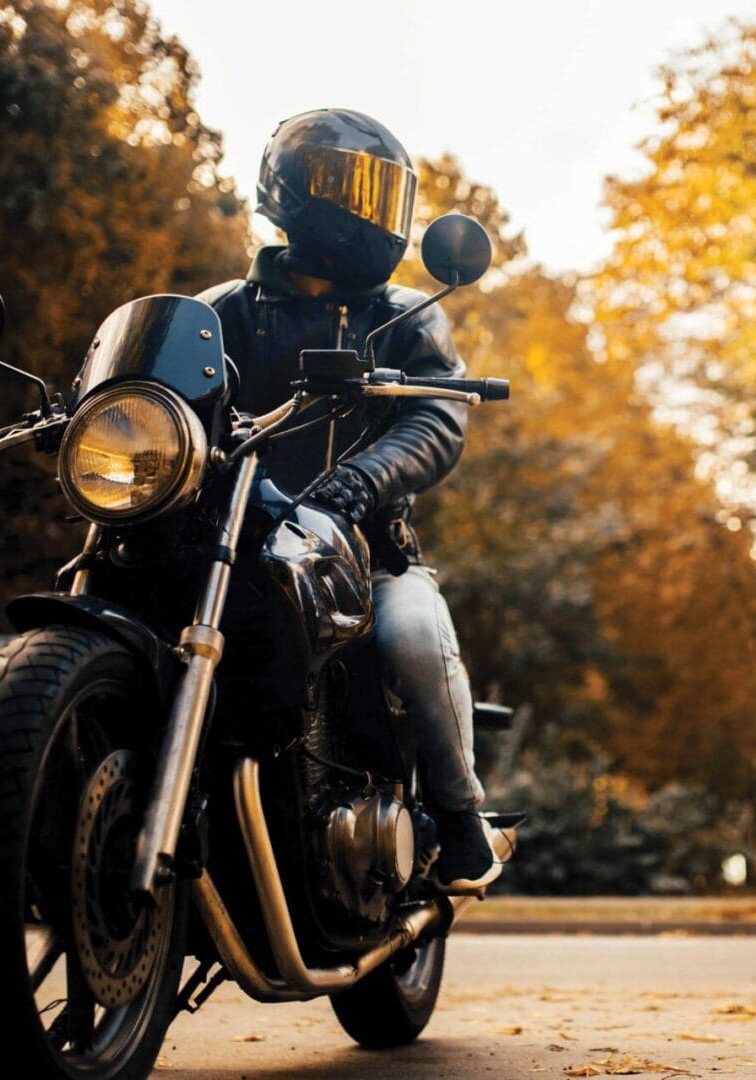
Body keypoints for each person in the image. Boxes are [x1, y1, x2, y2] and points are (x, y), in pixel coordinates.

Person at [195, 108, 498, 891]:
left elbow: (437, 415)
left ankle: (465, 822)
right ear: (292, 191)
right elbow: (162, 389)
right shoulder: (221, 311)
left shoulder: (400, 316)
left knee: (409, 638)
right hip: (232, 548)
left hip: (364, 555)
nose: (364, 209)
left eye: (377, 192)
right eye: (344, 184)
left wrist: (362, 480)